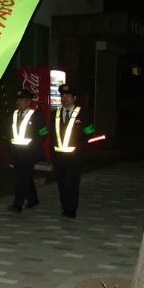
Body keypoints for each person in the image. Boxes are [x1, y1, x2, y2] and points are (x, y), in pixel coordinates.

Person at [50, 84, 95, 218]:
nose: (64, 99)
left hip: (75, 156)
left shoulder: (83, 113)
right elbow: (53, 135)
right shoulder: (55, 114)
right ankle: (65, 206)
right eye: (62, 96)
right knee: (62, 183)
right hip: (59, 156)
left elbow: (89, 132)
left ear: (74, 98)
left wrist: (81, 144)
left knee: (72, 183)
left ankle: (71, 209)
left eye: (68, 96)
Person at [8, 88, 47, 213]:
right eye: (18, 99)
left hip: (29, 153)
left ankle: (17, 204)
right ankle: (33, 199)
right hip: (17, 152)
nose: (19, 102)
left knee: (22, 179)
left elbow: (43, 133)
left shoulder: (36, 115)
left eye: (22, 99)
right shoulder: (13, 114)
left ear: (29, 101)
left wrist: (34, 145)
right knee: (26, 177)